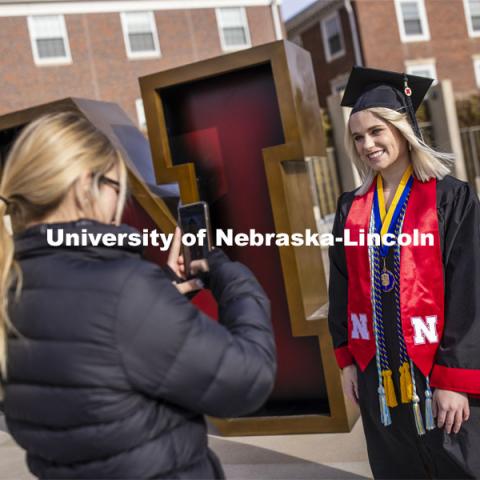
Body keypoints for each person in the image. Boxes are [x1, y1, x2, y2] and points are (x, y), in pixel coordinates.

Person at [0, 111, 276, 479]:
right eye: (118, 188)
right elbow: (249, 379)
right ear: (87, 184)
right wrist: (230, 273)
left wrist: (159, 291)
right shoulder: (124, 290)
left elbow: (90, 350)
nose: (121, 203)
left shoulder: (10, 284)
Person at [328, 66, 480, 479]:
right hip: (378, 371)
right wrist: (346, 362)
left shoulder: (451, 198)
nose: (367, 144)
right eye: (357, 137)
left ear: (403, 129)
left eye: (376, 131)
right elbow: (340, 286)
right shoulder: (352, 209)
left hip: (437, 372)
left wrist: (455, 378)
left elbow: (469, 289)